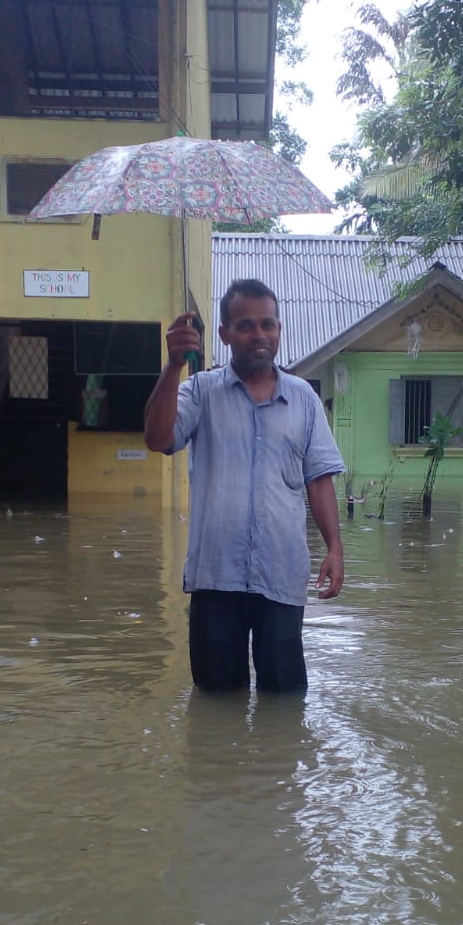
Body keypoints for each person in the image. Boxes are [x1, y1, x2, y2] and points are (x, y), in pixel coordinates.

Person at [144, 279, 344, 693]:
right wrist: (173, 366)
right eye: (246, 326)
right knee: (215, 701)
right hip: (216, 575)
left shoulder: (304, 399)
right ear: (224, 334)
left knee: (285, 700)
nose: (259, 335)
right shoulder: (200, 391)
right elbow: (158, 439)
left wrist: (335, 549)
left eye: (267, 324)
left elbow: (319, 479)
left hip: (281, 574)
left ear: (279, 329)